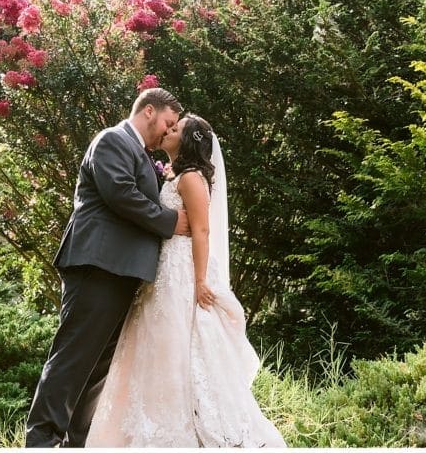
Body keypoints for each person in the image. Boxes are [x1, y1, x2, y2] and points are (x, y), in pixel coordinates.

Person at [86, 114, 286, 448]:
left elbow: (202, 231)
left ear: (188, 140)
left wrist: (200, 281)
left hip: (182, 270)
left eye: (176, 129)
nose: (168, 131)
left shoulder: (192, 178)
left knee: (177, 342)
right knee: (155, 341)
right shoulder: (176, 174)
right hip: (163, 270)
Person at [25, 88, 190, 448]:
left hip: (122, 272)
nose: (169, 130)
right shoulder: (112, 140)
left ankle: (77, 442)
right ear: (149, 111)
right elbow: (120, 193)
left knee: (97, 366)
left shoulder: (145, 155)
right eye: (168, 122)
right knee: (73, 357)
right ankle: (40, 442)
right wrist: (169, 221)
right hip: (98, 266)